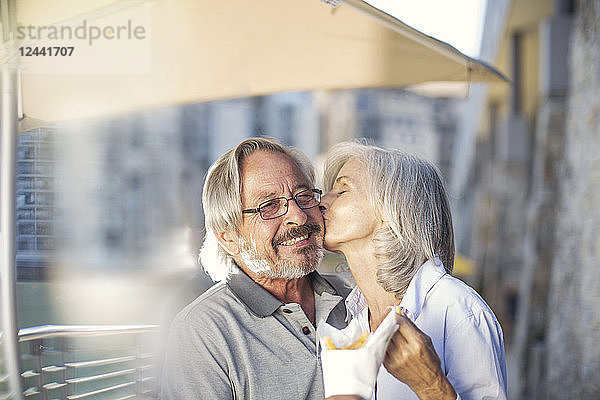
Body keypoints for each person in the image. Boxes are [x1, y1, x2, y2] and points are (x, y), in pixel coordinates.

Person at [161, 137, 350, 400]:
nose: (298, 216)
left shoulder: (353, 297)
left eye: (304, 196)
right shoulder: (202, 330)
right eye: (269, 205)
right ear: (229, 237)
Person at [319, 141, 507, 400]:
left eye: (342, 191)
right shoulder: (347, 321)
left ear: (392, 208)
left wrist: (431, 386)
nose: (321, 201)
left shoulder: (458, 312)